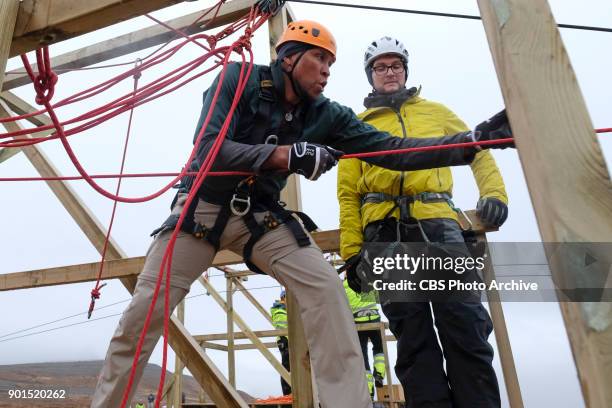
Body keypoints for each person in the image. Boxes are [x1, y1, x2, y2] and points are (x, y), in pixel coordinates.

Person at [90, 16, 513, 408]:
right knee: (145, 311)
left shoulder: (326, 114)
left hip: (260, 220)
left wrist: (469, 142)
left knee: (328, 295)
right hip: (201, 213)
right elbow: (208, 152)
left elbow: (394, 152)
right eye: (319, 58)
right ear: (288, 57)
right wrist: (285, 154)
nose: (327, 70)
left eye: (331, 62)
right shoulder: (237, 80)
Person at [338, 36, 507, 408]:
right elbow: (348, 194)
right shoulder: (357, 125)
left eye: (395, 65)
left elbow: (476, 149)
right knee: (413, 339)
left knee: (466, 326)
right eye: (380, 67)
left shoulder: (437, 112)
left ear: (405, 70)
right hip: (384, 234)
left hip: (438, 225)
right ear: (370, 75)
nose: (389, 72)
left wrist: (494, 194)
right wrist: (352, 253)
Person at [342, 278, 385, 399]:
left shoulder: (345, 285)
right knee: (379, 349)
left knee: (363, 355)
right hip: (375, 319)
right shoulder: (369, 282)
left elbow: (342, 305)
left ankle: (369, 391)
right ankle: (379, 374)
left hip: (359, 324)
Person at [271, 289, 291, 395]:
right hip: (285, 341)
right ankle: (287, 393)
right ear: (283, 298)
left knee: (289, 367)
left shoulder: (284, 310)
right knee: (287, 367)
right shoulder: (280, 310)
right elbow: (284, 328)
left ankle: (290, 392)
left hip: (287, 341)